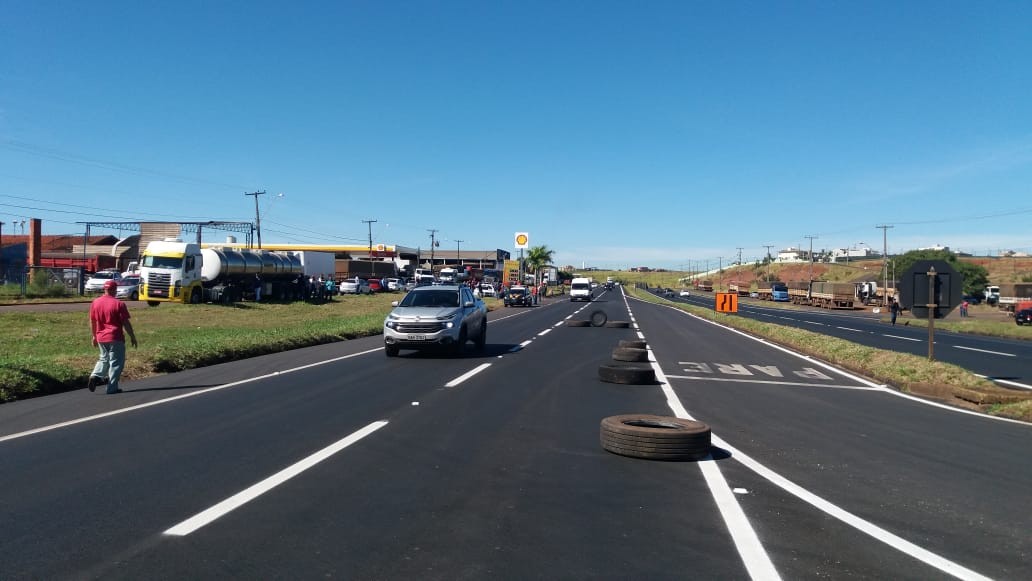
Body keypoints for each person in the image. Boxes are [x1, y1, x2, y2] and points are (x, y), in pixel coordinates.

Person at [88, 279, 138, 394]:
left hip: (101, 336)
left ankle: (95, 375)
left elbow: (93, 321)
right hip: (115, 337)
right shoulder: (119, 304)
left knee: (103, 359)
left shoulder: (95, 302)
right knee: (116, 362)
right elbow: (125, 322)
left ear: (104, 289)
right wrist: (132, 336)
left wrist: (94, 336)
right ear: (115, 290)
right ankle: (112, 388)